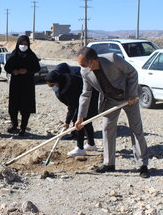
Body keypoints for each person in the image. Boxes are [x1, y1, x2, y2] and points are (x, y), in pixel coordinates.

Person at [74, 47, 150, 178]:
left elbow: (132, 73)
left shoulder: (112, 59)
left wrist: (132, 94)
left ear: (93, 60)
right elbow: (86, 94)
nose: (83, 68)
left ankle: (142, 165)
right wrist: (80, 117)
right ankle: (109, 163)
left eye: (84, 64)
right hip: (110, 100)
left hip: (129, 98)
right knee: (107, 128)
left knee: (136, 129)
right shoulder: (85, 72)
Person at [46, 67, 99, 156]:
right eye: (50, 86)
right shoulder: (63, 81)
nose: (52, 88)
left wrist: (67, 122)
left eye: (52, 85)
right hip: (83, 99)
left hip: (91, 99)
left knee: (78, 122)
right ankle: (91, 144)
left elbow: (72, 107)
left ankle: (80, 148)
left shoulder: (69, 86)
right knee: (86, 122)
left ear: (57, 81)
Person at [4, 35, 41, 136]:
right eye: (21, 44)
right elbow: (7, 67)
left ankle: (23, 128)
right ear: (18, 44)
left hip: (27, 85)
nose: (23, 46)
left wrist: (27, 71)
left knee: (26, 108)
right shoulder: (14, 55)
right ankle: (14, 124)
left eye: (25, 44)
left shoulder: (31, 55)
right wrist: (13, 71)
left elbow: (37, 68)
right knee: (13, 106)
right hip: (15, 84)